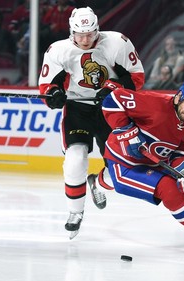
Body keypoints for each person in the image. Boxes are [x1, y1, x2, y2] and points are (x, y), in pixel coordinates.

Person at [38, 7, 145, 239]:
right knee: (75, 159)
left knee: (120, 168)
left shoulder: (116, 42)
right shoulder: (58, 51)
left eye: (90, 34)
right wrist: (54, 95)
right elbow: (47, 88)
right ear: (71, 32)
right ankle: (75, 212)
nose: (85, 40)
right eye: (80, 35)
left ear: (98, 29)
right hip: (78, 110)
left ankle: (97, 183)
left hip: (112, 110)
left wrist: (113, 89)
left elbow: (136, 77)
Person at [100, 78, 184, 251]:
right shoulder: (154, 104)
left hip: (153, 162)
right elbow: (112, 100)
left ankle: (96, 182)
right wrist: (128, 132)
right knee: (169, 189)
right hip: (124, 163)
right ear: (179, 97)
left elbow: (183, 154)